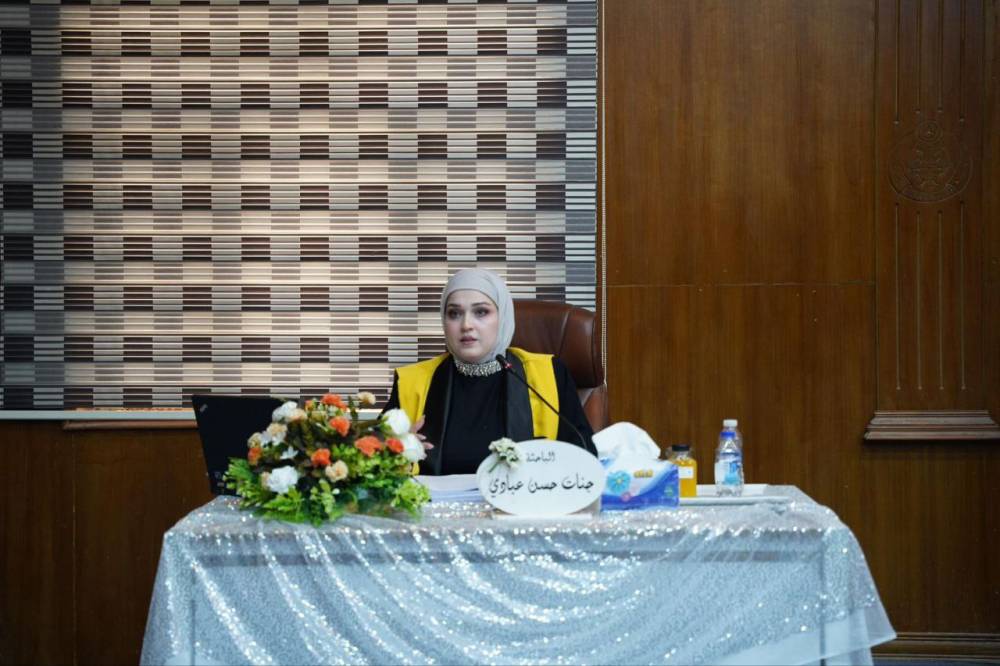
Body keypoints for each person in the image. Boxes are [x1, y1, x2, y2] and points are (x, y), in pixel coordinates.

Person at [382, 268, 598, 475]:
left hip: (526, 500)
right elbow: (371, 463)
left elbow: (584, 458)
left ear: (502, 318)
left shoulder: (547, 374)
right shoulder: (413, 382)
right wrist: (393, 451)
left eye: (481, 312)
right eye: (454, 313)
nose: (466, 325)